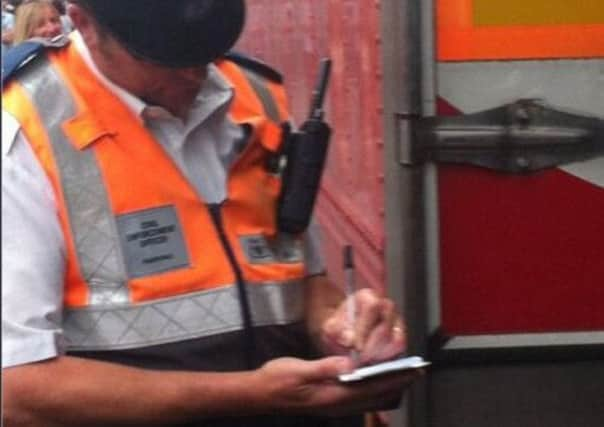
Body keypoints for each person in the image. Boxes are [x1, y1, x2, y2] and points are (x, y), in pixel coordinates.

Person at [1, 1, 419, 426]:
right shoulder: (26, 132)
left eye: (208, 46)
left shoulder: (257, 97)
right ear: (85, 23)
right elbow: (18, 390)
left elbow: (305, 279)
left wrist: (342, 326)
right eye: (163, 54)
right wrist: (255, 395)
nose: (195, 73)